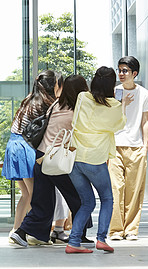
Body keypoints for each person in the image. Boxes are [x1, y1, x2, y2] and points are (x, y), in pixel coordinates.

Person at [10, 74, 89, 247]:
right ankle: (78, 235)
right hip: (57, 160)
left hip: (41, 157)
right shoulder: (77, 110)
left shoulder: (55, 105)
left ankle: (22, 233)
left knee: (42, 201)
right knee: (79, 198)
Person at [66, 66, 133, 254]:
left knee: (87, 202)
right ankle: (101, 239)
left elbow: (75, 121)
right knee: (107, 198)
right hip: (94, 159)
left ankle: (73, 242)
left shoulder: (82, 97)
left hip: (75, 159)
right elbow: (119, 125)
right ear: (111, 84)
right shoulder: (114, 106)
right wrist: (124, 105)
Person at [2, 70, 62, 240]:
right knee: (37, 195)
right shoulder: (45, 103)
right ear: (53, 86)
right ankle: (30, 234)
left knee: (26, 194)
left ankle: (15, 231)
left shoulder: (29, 99)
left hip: (13, 145)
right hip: (24, 147)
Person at [108, 56, 148, 241]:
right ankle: (115, 230)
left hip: (136, 147)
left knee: (134, 190)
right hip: (114, 146)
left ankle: (131, 229)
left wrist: (145, 148)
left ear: (134, 73)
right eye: (119, 70)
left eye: (125, 71)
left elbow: (145, 122)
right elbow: (110, 119)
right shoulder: (114, 92)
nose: (121, 73)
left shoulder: (144, 94)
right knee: (115, 188)